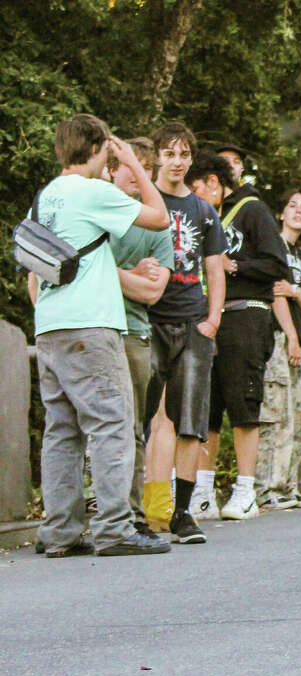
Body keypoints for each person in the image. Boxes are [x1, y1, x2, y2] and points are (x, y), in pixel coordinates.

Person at [27, 114, 171, 557]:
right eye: (108, 152)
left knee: (62, 431)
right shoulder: (92, 192)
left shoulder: (45, 196)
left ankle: (60, 532)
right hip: (91, 323)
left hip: (50, 324)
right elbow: (160, 217)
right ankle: (114, 528)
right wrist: (136, 163)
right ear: (95, 150)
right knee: (111, 425)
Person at [187, 151, 291, 521]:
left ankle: (245, 489)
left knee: (244, 402)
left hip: (248, 313)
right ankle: (203, 488)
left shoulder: (252, 209)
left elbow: (279, 264)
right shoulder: (202, 217)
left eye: (197, 188)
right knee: (208, 407)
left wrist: (237, 266)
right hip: (211, 316)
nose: (195, 197)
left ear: (214, 182)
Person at [147, 121, 227, 541]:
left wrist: (213, 318)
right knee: (147, 415)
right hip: (151, 317)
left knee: (191, 418)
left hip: (193, 316)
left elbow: (214, 266)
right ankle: (145, 506)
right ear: (157, 155)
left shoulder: (203, 209)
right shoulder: (145, 201)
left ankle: (182, 511)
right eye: (169, 153)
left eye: (183, 155)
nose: (176, 162)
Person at [108, 137, 171, 538]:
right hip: (92, 327)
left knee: (131, 426)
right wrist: (130, 272)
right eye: (130, 164)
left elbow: (152, 292)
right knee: (83, 426)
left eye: (145, 166)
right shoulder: (95, 209)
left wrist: (103, 272)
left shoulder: (156, 230)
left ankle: (129, 514)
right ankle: (91, 507)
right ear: (112, 168)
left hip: (134, 333)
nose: (137, 173)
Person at [255, 189, 301, 510]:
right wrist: (291, 336)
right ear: (280, 213)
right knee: (277, 414)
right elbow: (274, 294)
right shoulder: (273, 246)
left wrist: (296, 291)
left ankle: (288, 484)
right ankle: (267, 488)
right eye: (291, 205)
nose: (297, 211)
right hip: (279, 336)